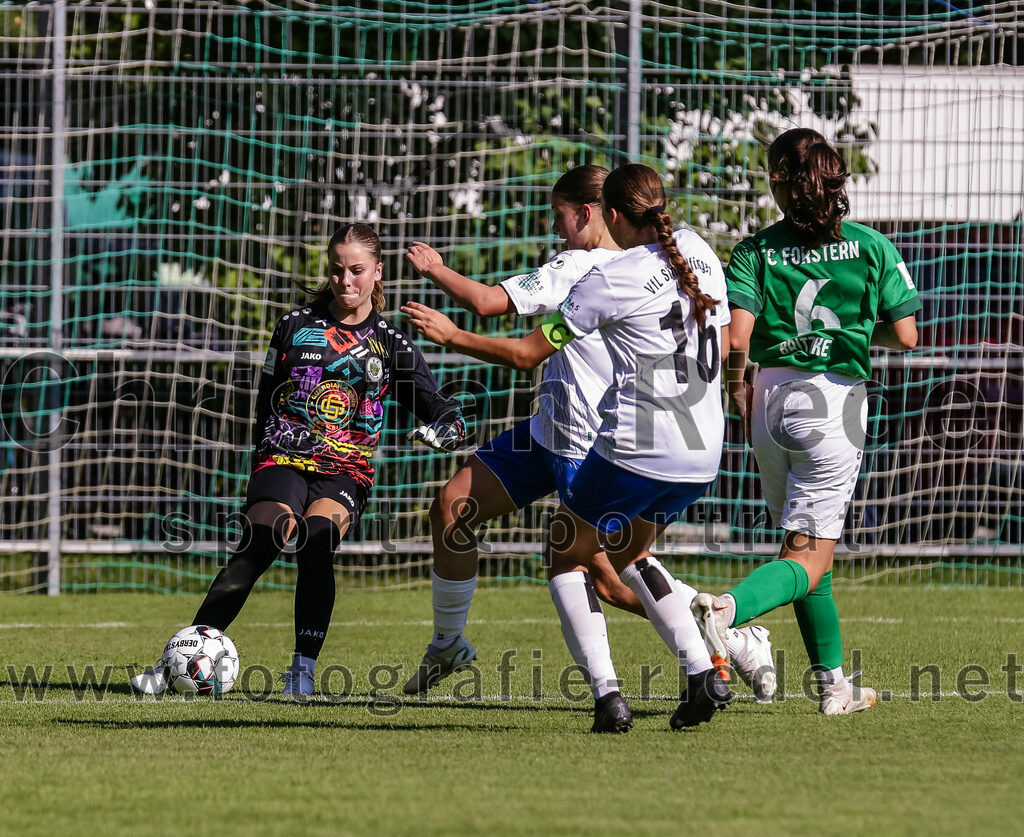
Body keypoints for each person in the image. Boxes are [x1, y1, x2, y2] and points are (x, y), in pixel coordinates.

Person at [405, 164, 737, 731]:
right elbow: (725, 347)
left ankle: (611, 696)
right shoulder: (698, 250)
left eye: (560, 214)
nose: (555, 226)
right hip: (701, 445)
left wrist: (452, 335)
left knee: (569, 555)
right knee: (628, 556)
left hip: (634, 444)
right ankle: (703, 670)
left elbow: (525, 354)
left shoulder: (605, 277)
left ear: (607, 214)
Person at [131, 223, 465, 696]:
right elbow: (265, 402)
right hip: (283, 459)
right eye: (337, 269)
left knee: (315, 542)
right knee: (259, 542)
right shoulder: (293, 325)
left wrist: (448, 428)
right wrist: (261, 463)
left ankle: (302, 674)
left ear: (377, 272)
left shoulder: (390, 343)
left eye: (357, 270)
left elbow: (440, 406)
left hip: (345, 472)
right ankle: (174, 668)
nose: (345, 280)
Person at [690, 128, 920, 715]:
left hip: (769, 397)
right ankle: (727, 612)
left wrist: (736, 391)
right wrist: (850, 332)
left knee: (807, 548)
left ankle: (834, 687)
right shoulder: (872, 246)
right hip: (833, 401)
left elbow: (737, 339)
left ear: (778, 182)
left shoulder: (755, 250)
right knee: (807, 553)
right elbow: (906, 335)